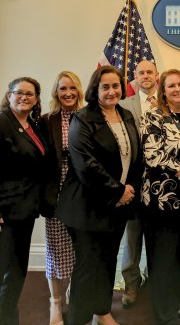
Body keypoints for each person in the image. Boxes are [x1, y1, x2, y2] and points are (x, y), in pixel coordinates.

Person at [56, 65, 143, 325]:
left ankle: (102, 312)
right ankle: (78, 320)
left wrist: (129, 191)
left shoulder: (125, 114)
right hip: (87, 206)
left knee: (107, 262)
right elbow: (85, 163)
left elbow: (135, 157)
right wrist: (117, 190)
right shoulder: (83, 118)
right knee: (88, 268)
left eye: (116, 85)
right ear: (96, 88)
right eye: (105, 86)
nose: (111, 91)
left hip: (119, 205)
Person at [140, 69, 180, 325]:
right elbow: (152, 154)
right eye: (171, 86)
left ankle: (176, 304)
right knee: (162, 258)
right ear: (163, 91)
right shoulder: (153, 117)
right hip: (160, 199)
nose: (177, 89)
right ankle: (163, 312)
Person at [0, 77, 51, 325]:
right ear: (8, 95)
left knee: (17, 270)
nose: (24, 97)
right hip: (5, 211)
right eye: (19, 92)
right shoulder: (1, 122)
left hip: (25, 210)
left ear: (37, 99)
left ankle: (8, 316)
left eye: (30, 94)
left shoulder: (33, 125)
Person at [42, 71, 84, 325]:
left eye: (72, 88)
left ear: (79, 90)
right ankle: (55, 302)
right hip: (56, 194)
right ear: (56, 92)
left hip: (82, 195)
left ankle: (74, 292)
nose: (67, 93)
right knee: (56, 251)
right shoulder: (47, 120)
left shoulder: (89, 118)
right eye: (62, 88)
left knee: (81, 249)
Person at [119, 60, 158, 308]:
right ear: (135, 76)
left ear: (157, 75)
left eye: (149, 72)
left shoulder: (167, 100)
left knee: (157, 236)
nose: (145, 76)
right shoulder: (124, 105)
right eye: (141, 72)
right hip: (133, 180)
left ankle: (154, 282)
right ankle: (131, 284)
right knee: (132, 237)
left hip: (162, 183)